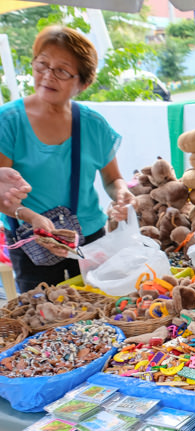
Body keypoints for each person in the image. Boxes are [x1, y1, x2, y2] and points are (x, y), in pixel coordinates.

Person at [0, 26, 136, 293]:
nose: (48, 76)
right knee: (42, 320)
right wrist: (30, 217)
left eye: (62, 71)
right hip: (31, 242)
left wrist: (122, 195)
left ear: (83, 83)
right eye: (42, 65)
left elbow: (112, 178)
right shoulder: (8, 122)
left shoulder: (93, 125)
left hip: (90, 241)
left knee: (97, 316)